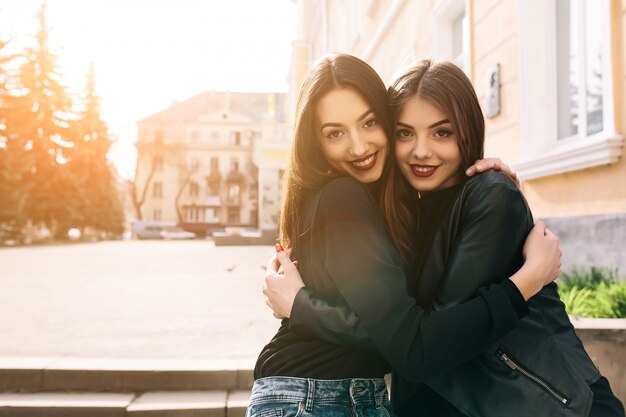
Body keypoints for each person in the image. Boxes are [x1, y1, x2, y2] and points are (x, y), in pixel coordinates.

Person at [266, 59, 625, 417]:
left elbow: (418, 345)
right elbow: (407, 333)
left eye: (442, 132)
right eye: (405, 132)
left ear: (466, 132)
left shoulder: (491, 196)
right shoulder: (405, 213)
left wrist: (304, 308)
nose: (421, 151)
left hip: (554, 406)